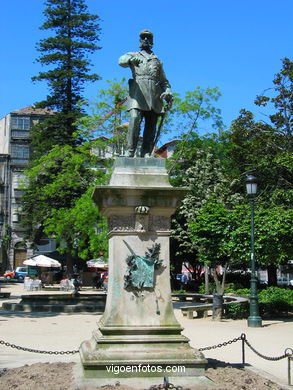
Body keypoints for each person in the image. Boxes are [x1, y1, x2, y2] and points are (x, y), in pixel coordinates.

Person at [119, 29, 173, 157]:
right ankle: (130, 151)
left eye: (148, 38)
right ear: (139, 40)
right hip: (138, 94)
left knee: (151, 124)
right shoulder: (133, 55)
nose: (146, 40)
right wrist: (131, 60)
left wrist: (168, 91)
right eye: (143, 38)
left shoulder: (157, 61)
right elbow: (121, 61)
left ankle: (146, 152)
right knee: (134, 118)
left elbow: (164, 81)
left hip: (154, 96)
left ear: (152, 41)